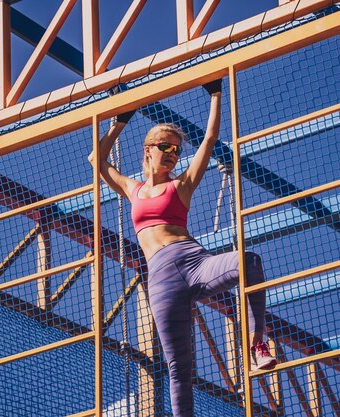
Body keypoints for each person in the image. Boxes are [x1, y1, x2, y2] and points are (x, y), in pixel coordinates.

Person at [89, 80, 276, 417]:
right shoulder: (132, 189)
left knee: (249, 261)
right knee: (179, 368)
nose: (174, 155)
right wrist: (121, 120)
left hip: (193, 261)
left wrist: (216, 95)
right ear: (149, 149)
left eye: (177, 150)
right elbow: (96, 159)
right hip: (161, 280)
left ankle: (257, 342)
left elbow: (208, 140)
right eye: (167, 147)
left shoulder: (182, 185)